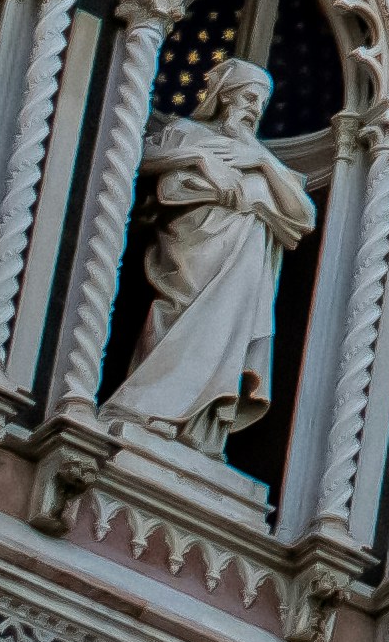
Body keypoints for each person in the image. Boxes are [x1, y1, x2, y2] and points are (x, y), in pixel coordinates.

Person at [105, 49, 317, 452]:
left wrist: (262, 164)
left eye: (261, 102)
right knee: (174, 317)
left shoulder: (263, 160)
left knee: (221, 335)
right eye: (249, 97)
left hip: (240, 275)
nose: (255, 109)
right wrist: (200, 158)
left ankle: (197, 429)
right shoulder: (190, 132)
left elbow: (304, 216)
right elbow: (139, 154)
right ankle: (144, 406)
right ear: (225, 94)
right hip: (192, 254)